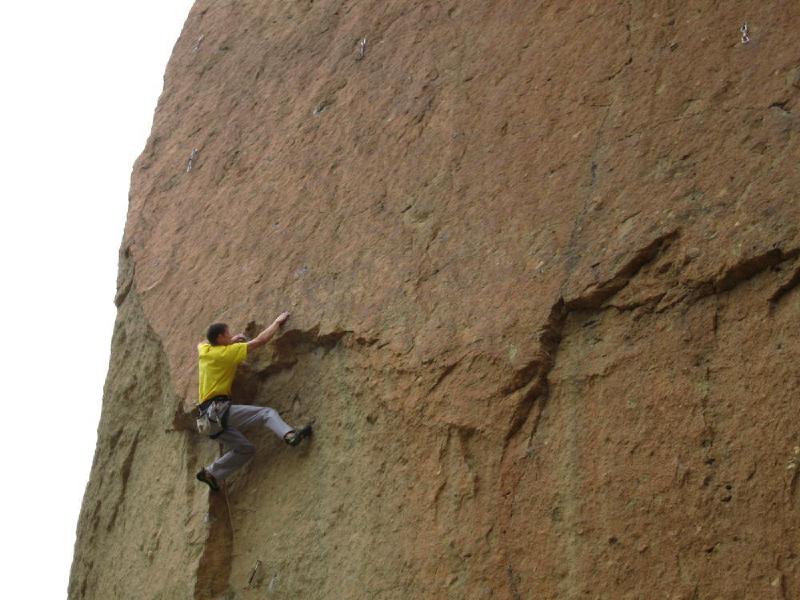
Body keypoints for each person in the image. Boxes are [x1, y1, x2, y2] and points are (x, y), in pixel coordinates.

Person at [195, 312, 312, 491]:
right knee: (266, 413)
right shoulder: (227, 353)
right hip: (218, 411)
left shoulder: (205, 351)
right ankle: (289, 435)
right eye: (227, 333)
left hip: (206, 421)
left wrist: (230, 340)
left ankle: (211, 473)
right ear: (220, 337)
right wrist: (276, 323)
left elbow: (201, 342)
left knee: (246, 449)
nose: (231, 335)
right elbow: (260, 341)